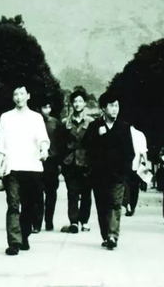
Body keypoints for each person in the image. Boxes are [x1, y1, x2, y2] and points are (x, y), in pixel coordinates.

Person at [0, 84, 50, 256]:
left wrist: (44, 149)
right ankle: (14, 242)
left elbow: (43, 138)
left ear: (28, 95)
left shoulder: (36, 118)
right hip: (11, 168)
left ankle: (24, 236)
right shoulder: (6, 117)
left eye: (22, 93)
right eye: (15, 94)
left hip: (32, 167)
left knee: (29, 206)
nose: (19, 97)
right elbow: (0, 143)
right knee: (13, 204)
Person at [84, 92, 134, 250]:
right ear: (103, 108)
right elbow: (87, 148)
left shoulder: (124, 127)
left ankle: (113, 235)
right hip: (98, 175)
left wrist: (124, 171)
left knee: (115, 204)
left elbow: (130, 152)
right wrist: (99, 137)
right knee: (102, 206)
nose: (115, 109)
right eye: (111, 106)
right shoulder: (94, 127)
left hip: (117, 175)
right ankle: (106, 235)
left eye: (117, 106)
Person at [58, 88, 94, 233]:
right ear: (72, 104)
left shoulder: (91, 122)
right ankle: (73, 221)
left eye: (80, 101)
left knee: (86, 193)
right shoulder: (65, 123)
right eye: (75, 101)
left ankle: (84, 220)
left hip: (86, 162)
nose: (77, 104)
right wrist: (62, 162)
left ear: (85, 103)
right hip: (70, 162)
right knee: (72, 193)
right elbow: (61, 144)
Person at [33, 99, 61, 232]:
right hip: (36, 160)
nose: (47, 110)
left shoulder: (55, 123)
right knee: (37, 192)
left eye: (49, 107)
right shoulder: (33, 122)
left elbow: (60, 143)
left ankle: (49, 221)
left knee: (51, 193)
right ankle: (37, 223)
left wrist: (59, 162)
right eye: (44, 107)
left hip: (52, 161)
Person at [123, 125, 148, 216]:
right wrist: (146, 163)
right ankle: (132, 206)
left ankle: (127, 204)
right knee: (134, 188)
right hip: (136, 166)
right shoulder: (140, 134)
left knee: (125, 186)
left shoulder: (121, 132)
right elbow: (143, 151)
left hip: (124, 165)